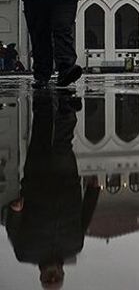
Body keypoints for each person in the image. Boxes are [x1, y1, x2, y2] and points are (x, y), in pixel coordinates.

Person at [2, 90, 100, 288]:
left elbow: (12, 228)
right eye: (57, 278)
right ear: (63, 273)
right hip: (67, 182)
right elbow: (85, 219)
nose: (53, 276)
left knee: (40, 133)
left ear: (41, 277)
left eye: (49, 279)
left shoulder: (25, 253)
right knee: (63, 142)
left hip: (37, 183)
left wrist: (15, 212)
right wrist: (93, 191)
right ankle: (66, 105)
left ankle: (44, 99)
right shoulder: (75, 246)